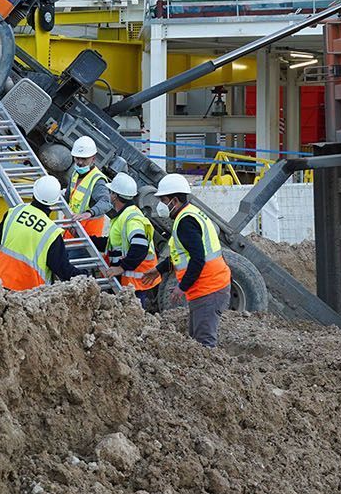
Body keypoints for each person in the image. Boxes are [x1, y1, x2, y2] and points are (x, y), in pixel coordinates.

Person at [155, 173, 230, 346]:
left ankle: (211, 372)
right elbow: (182, 256)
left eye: (163, 200)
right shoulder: (189, 215)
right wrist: (159, 269)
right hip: (208, 287)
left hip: (209, 288)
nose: (161, 205)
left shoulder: (185, 222)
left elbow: (198, 259)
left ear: (174, 201)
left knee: (204, 342)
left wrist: (182, 287)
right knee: (197, 340)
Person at [0, 175, 82, 290]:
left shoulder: (15, 212)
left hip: (0, 283)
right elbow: (62, 269)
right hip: (29, 294)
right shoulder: (51, 232)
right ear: (54, 202)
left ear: (33, 193)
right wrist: (83, 275)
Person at [102, 172, 160, 309]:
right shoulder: (125, 215)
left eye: (111, 192)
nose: (109, 195)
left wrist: (121, 268)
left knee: (133, 317)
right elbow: (116, 244)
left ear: (115, 196)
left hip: (136, 280)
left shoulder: (131, 218)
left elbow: (140, 246)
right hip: (132, 280)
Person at [66, 136, 112, 246]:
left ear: (93, 158)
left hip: (88, 237)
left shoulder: (97, 179)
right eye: (77, 158)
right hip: (72, 232)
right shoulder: (75, 173)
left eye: (84, 159)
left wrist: (89, 213)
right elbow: (69, 196)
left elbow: (106, 203)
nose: (80, 162)